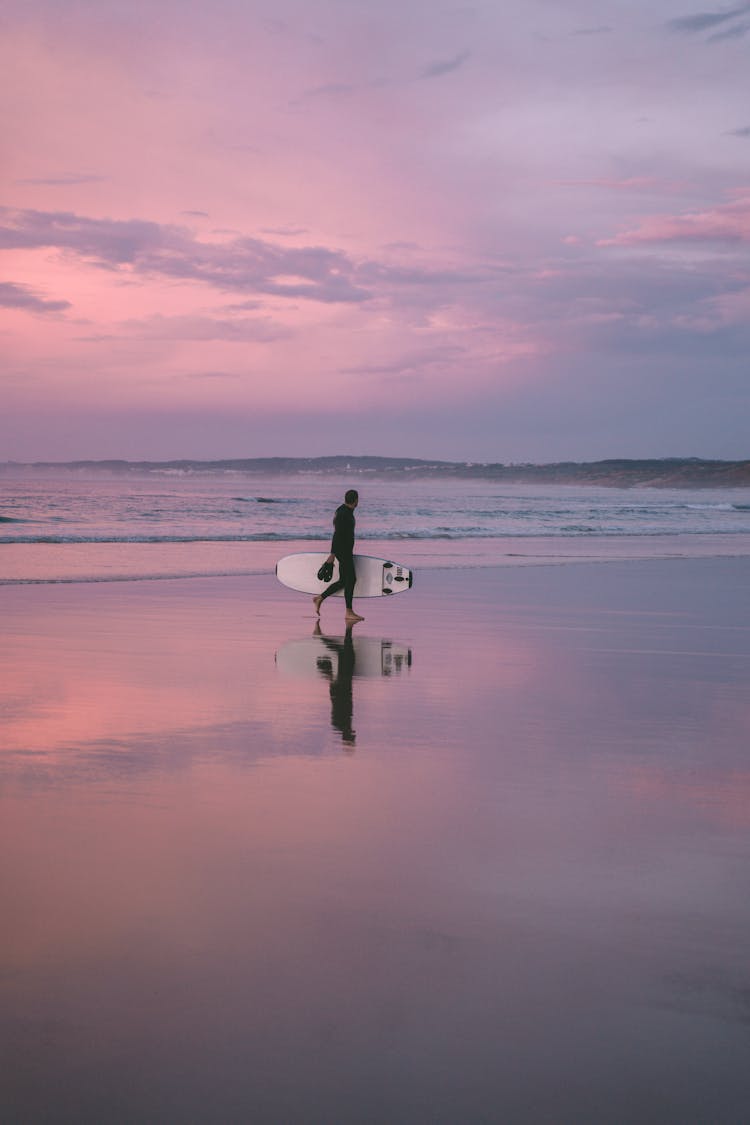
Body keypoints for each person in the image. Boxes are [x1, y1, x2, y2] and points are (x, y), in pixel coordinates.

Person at [313, 489, 364, 624]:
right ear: (356, 500)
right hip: (343, 552)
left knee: (343, 581)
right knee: (351, 579)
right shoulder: (343, 514)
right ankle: (349, 611)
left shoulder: (343, 511)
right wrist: (332, 554)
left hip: (345, 551)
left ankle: (319, 598)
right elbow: (337, 535)